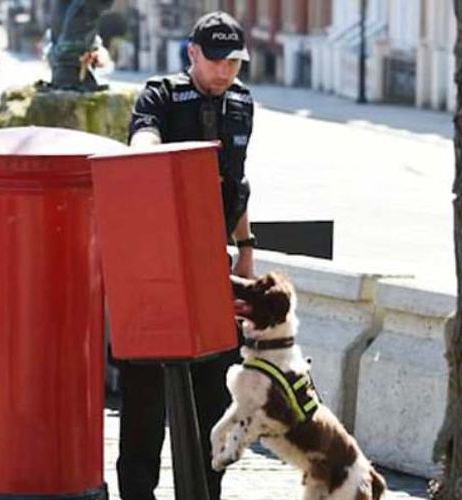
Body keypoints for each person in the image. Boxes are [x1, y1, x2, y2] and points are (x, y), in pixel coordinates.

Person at [116, 11, 256, 500]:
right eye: (216, 60)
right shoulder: (161, 93)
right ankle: (138, 492)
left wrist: (246, 248)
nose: (224, 71)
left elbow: (238, 183)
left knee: (213, 390)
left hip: (208, 265)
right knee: (145, 391)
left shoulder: (241, 102)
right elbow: (142, 137)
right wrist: (154, 155)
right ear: (192, 53)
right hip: (154, 266)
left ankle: (204, 491)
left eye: (233, 62)